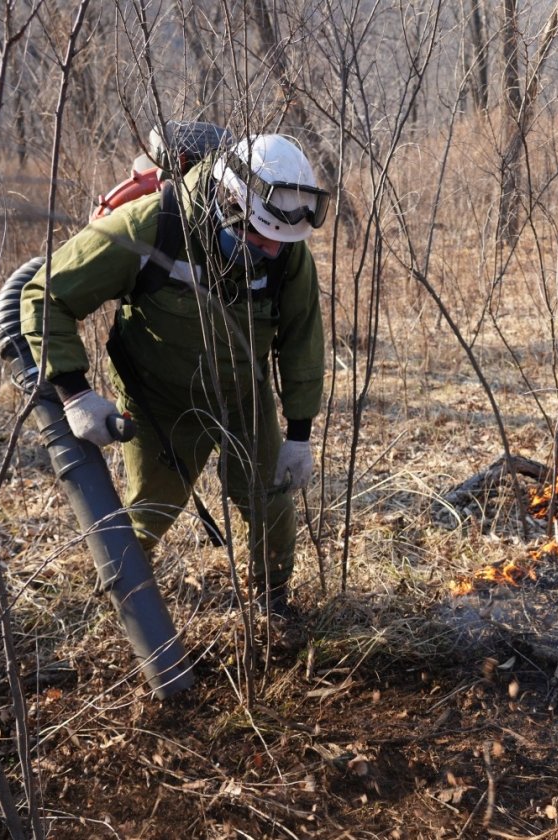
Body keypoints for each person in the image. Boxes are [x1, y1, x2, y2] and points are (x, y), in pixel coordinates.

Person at [20, 133, 329, 618]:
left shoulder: (286, 247)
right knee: (146, 516)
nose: (271, 250)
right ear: (227, 204)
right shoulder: (151, 227)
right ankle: (132, 623)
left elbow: (301, 336)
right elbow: (45, 294)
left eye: (280, 241)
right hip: (157, 398)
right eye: (259, 238)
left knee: (271, 505)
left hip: (243, 395)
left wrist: (300, 432)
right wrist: (75, 393)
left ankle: (274, 611)